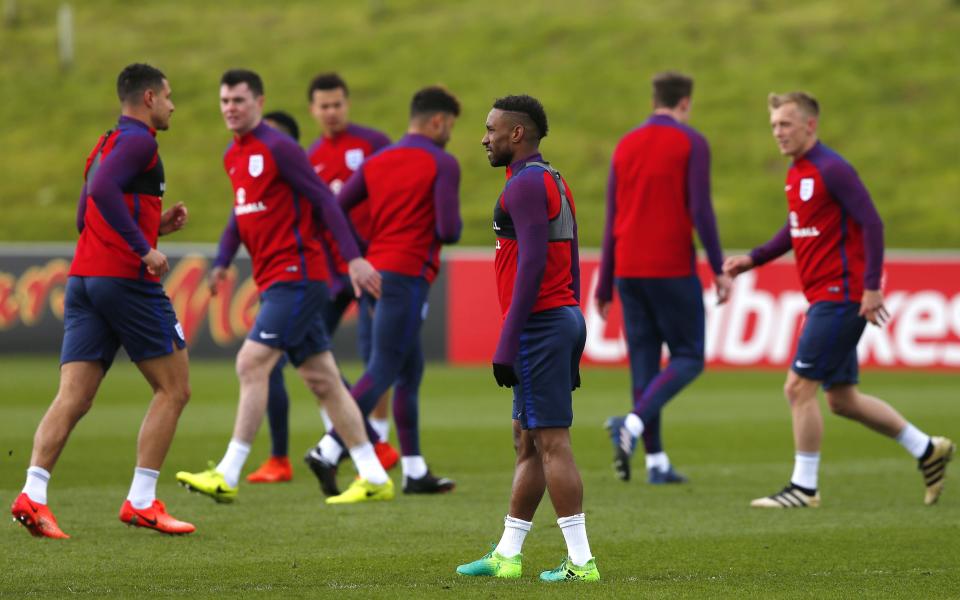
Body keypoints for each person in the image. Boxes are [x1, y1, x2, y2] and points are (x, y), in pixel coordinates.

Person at [724, 91, 954, 508]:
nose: (778, 132)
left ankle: (804, 488)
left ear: (810, 125)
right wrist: (754, 259)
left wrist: (872, 286)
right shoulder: (797, 173)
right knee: (842, 399)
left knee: (798, 388)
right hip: (824, 296)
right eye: (774, 125)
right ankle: (927, 448)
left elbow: (872, 223)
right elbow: (796, 228)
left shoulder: (833, 168)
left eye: (786, 124)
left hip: (842, 296)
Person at [175, 69, 393, 505]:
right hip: (275, 279)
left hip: (299, 276)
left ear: (258, 101)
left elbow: (325, 201)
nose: (230, 108)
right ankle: (373, 474)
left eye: (238, 100)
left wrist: (352, 258)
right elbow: (241, 216)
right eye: (224, 101)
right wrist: (220, 263)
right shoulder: (233, 156)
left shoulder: (282, 149)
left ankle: (228, 472)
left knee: (251, 363)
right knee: (323, 379)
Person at [10, 63, 195, 537]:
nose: (173, 105)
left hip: (84, 279)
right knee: (174, 389)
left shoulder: (106, 143)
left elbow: (83, 215)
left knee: (73, 396)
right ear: (149, 98)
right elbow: (102, 191)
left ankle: (34, 493)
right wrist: (143, 248)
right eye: (169, 96)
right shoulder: (139, 141)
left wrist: (155, 227)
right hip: (126, 281)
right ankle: (141, 500)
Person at [457, 95, 599, 582]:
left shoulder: (524, 187)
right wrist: (573, 318)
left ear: (517, 134)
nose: (484, 137)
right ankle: (508, 553)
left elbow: (534, 263)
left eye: (492, 129)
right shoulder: (550, 179)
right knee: (528, 441)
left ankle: (581, 561)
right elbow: (571, 256)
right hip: (557, 319)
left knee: (552, 441)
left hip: (539, 326)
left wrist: (507, 341)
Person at [307, 86, 461, 496]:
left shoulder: (378, 160)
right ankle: (327, 448)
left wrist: (357, 251)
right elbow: (449, 230)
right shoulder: (442, 162)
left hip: (375, 272)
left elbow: (334, 207)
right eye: (451, 126)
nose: (451, 134)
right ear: (438, 121)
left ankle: (413, 470)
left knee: (410, 370)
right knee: (384, 368)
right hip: (407, 275)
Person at [245, 75, 398, 485]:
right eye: (323, 106)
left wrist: (374, 254)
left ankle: (378, 442)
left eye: (337, 104)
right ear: (312, 110)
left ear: (347, 104)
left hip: (369, 266)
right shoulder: (306, 155)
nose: (331, 112)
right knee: (309, 357)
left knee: (376, 354)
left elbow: (393, 199)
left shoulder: (374, 144)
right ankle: (367, 443)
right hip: (325, 273)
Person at [597, 71, 731, 485]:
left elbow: (611, 217)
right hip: (670, 266)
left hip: (629, 270)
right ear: (685, 102)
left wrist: (604, 282)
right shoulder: (691, 142)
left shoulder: (626, 144)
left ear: (654, 98)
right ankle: (632, 426)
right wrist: (719, 265)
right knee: (689, 356)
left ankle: (655, 462)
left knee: (643, 364)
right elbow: (701, 210)